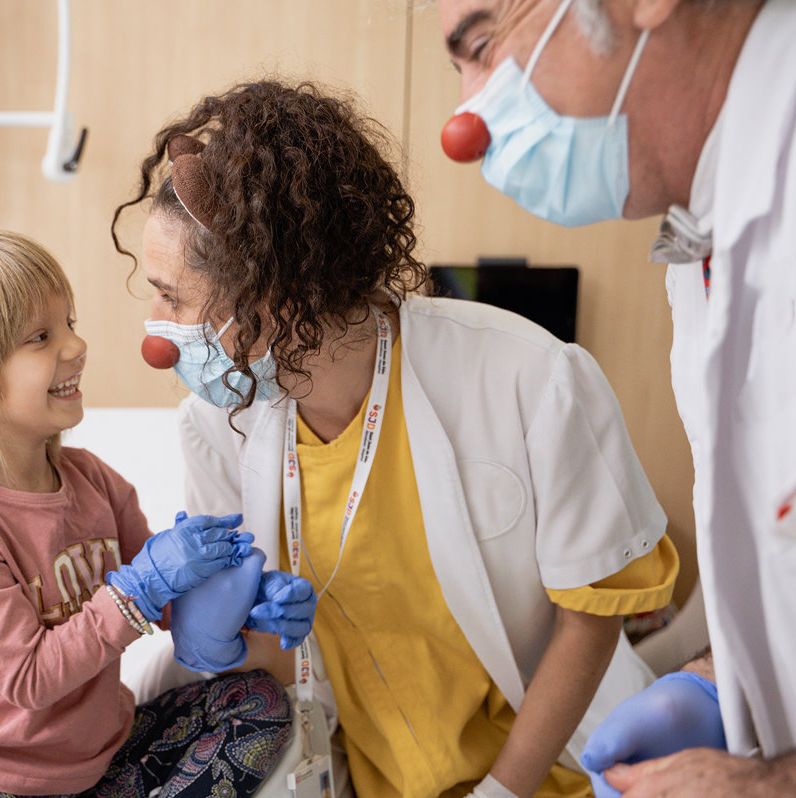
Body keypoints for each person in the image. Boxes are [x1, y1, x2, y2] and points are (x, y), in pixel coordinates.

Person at [111, 80, 678, 798]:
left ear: (277, 293)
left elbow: (590, 614)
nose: (156, 327)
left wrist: (501, 792)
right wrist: (228, 643)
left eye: (171, 296)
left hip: (565, 771)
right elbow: (291, 660)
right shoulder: (218, 426)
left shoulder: (528, 376)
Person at [434, 0, 796, 794]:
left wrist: (771, 783)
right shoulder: (703, 238)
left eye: (485, 46)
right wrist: (717, 683)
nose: (465, 124)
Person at [0, 230, 294, 798]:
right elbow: (31, 679)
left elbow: (166, 604)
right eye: (41, 337)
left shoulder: (93, 481)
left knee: (259, 704)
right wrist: (138, 588)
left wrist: (244, 599)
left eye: (70, 323)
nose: (76, 345)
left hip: (104, 757)